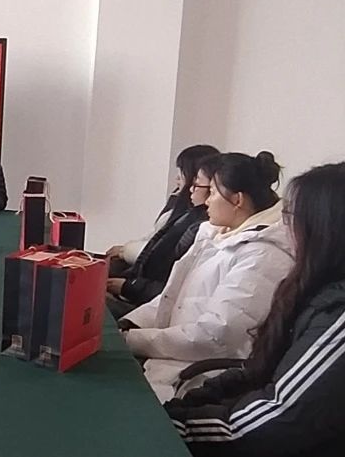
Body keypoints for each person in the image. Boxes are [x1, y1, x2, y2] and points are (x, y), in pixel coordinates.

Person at [167, 161, 345, 456]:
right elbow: (259, 368)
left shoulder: (337, 315)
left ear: (325, 230)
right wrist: (191, 405)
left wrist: (180, 425)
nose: (285, 228)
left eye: (292, 218)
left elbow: (278, 417)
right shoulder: (314, 288)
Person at [120, 151, 294, 402]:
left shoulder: (264, 256)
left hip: (195, 376)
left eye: (212, 192)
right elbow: (172, 296)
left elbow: (215, 335)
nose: (207, 201)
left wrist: (133, 340)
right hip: (168, 353)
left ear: (237, 200)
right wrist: (131, 323)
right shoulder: (215, 234)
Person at [106, 145, 220, 318]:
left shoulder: (201, 228)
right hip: (145, 294)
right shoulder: (187, 212)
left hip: (150, 305)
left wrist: (128, 286)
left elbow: (173, 289)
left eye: (196, 182)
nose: (189, 187)